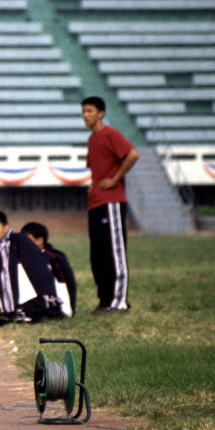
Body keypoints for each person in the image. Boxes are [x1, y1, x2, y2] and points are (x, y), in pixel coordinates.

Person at [81, 96, 139, 315]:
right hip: (95, 202)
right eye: (83, 111)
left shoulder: (110, 134)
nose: (85, 115)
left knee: (114, 253)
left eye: (89, 111)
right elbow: (96, 169)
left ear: (100, 113)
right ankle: (105, 301)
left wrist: (114, 179)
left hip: (111, 202)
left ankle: (119, 302)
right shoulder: (92, 139)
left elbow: (133, 154)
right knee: (98, 255)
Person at [21, 222, 77, 318]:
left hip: (57, 304)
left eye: (26, 241)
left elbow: (68, 283)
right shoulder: (26, 256)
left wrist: (69, 308)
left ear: (39, 241)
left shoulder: (53, 258)